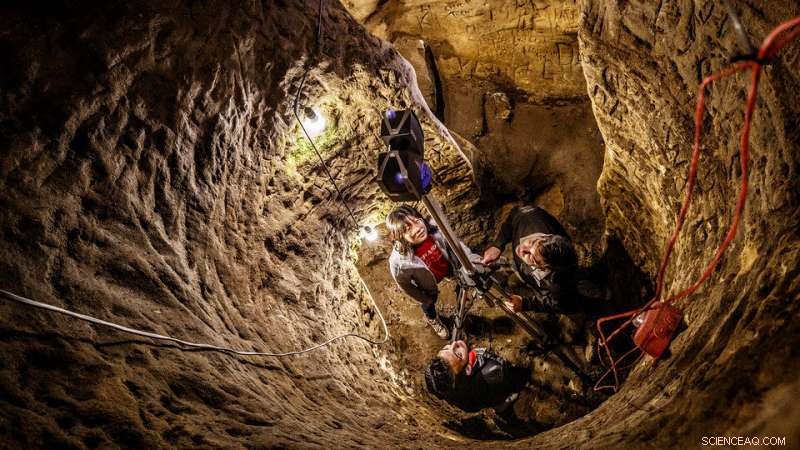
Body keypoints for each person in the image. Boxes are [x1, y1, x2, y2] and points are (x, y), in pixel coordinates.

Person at [386, 205, 480, 339]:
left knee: (463, 281)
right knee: (429, 302)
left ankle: (461, 307)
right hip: (427, 284)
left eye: (417, 221)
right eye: (408, 229)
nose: (418, 229)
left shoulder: (435, 227)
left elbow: (456, 243)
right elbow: (404, 285)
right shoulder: (398, 262)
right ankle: (432, 318)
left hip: (447, 267)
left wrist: (471, 260)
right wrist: (424, 298)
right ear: (400, 237)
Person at [481, 205, 579, 314]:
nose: (522, 249)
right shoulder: (530, 217)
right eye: (532, 242)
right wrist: (498, 245)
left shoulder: (558, 283)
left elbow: (565, 306)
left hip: (545, 285)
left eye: (531, 257)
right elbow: (515, 214)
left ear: (546, 268)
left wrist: (526, 304)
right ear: (544, 236)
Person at [424, 339, 530, 414]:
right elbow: (519, 378)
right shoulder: (493, 370)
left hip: (474, 403)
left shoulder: (443, 386)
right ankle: (505, 403)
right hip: (494, 391)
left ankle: (499, 406)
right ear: (468, 369)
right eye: (458, 354)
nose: (454, 343)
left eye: (446, 348)